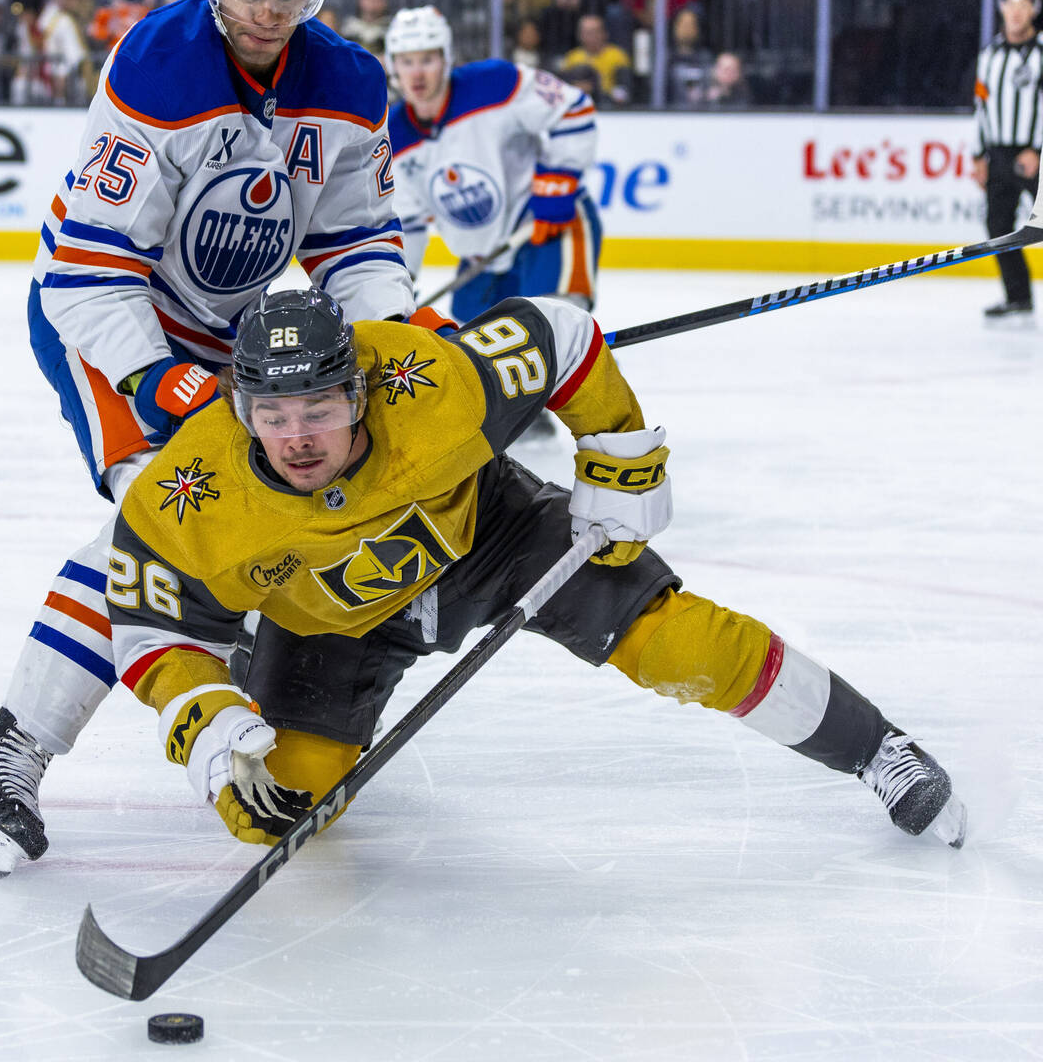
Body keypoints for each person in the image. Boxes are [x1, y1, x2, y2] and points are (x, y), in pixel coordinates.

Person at [102, 285, 969, 858]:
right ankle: (262, 664)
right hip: (333, 623)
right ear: (239, 407)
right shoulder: (189, 493)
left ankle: (876, 750)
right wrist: (202, 714)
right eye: (275, 415)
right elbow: (147, 626)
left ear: (360, 395)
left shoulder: (431, 387)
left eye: (320, 410)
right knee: (277, 809)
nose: (297, 438)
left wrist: (619, 457)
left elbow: (561, 332)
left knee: (672, 640)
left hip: (492, 535)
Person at [0, 0, 417, 879]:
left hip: (232, 341)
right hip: (110, 320)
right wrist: (156, 376)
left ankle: (254, 685)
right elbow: (90, 269)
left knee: (274, 502)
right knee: (161, 517)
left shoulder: (348, 82)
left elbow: (359, 240)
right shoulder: (160, 66)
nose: (266, 16)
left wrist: (392, 344)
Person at [385, 5, 601, 442]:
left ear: (446, 58)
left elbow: (573, 110)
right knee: (479, 339)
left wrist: (558, 181)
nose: (418, 73)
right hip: (482, 253)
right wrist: (395, 287)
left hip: (543, 225)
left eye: (427, 58)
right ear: (393, 67)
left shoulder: (497, 83)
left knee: (556, 318)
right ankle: (527, 409)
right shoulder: (392, 134)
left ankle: (595, 412)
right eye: (407, 62)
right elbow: (408, 222)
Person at [973, 0, 1043, 323]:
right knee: (998, 225)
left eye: (1023, 5)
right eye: (1010, 5)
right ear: (1001, 9)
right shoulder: (990, 55)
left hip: (1038, 155)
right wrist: (978, 154)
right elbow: (981, 104)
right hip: (999, 154)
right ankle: (1018, 296)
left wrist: (1037, 147)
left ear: (1034, 9)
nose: (1016, 13)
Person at [559, 12, 631, 106]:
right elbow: (563, 88)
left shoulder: (618, 55)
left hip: (609, 106)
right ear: (580, 35)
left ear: (604, 33)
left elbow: (624, 88)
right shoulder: (572, 57)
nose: (591, 36)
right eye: (586, 32)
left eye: (594, 31)